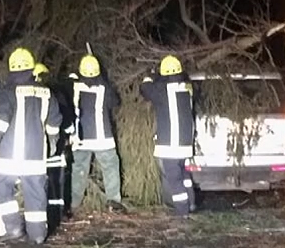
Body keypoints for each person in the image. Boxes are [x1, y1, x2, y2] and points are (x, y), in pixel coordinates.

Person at [0, 47, 62, 244]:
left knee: (1, 188)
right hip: (36, 156)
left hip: (10, 155)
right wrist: (52, 142)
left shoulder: (8, 91)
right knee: (36, 194)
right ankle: (37, 235)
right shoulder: (46, 92)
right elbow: (54, 123)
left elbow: (1, 119)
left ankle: (11, 228)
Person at [69, 53, 126, 214]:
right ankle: (113, 202)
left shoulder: (73, 85)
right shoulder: (104, 87)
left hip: (80, 137)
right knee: (111, 168)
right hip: (103, 138)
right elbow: (115, 101)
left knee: (79, 170)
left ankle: (74, 204)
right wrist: (104, 80)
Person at [140, 54, 196, 217]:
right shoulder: (187, 88)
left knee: (174, 179)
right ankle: (191, 203)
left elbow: (145, 89)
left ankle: (182, 212)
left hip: (170, 143)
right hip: (185, 142)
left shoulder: (162, 89)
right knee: (184, 174)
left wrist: (149, 77)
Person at [33, 62, 71, 228]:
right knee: (57, 180)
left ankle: (46, 213)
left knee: (42, 182)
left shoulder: (34, 95)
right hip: (57, 144)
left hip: (39, 147)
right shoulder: (57, 93)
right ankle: (59, 214)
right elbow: (67, 117)